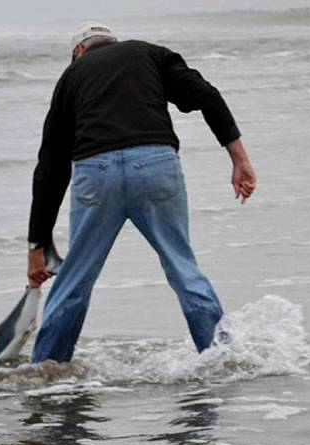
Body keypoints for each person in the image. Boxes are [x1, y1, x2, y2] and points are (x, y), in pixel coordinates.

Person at [26, 22, 256, 363]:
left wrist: (38, 244)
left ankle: (46, 370)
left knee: (75, 279)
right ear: (112, 43)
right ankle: (221, 359)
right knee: (182, 267)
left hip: (96, 172)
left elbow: (51, 165)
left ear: (80, 52)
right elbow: (206, 94)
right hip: (155, 165)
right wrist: (239, 159)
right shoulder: (149, 54)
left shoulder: (72, 77)